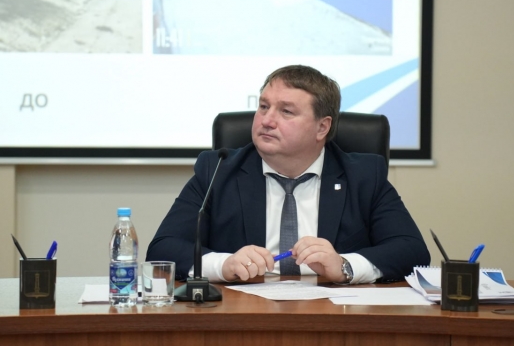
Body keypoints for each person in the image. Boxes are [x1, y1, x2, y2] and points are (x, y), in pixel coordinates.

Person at [146, 65, 430, 283]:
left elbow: (412, 251)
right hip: (244, 316)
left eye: (286, 112)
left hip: (333, 318)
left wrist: (344, 266)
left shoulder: (363, 176)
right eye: (263, 106)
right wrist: (224, 265)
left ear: (322, 127)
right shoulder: (217, 169)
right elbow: (162, 250)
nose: (267, 120)